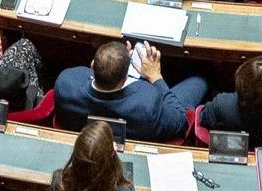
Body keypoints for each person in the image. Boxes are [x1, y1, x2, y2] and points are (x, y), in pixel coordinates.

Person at [53, 38, 211, 136]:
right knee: (200, 80)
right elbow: (181, 121)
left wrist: (115, 61)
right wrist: (155, 77)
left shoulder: (66, 84)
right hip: (148, 121)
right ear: (125, 78)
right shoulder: (148, 102)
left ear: (93, 65)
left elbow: (84, 75)